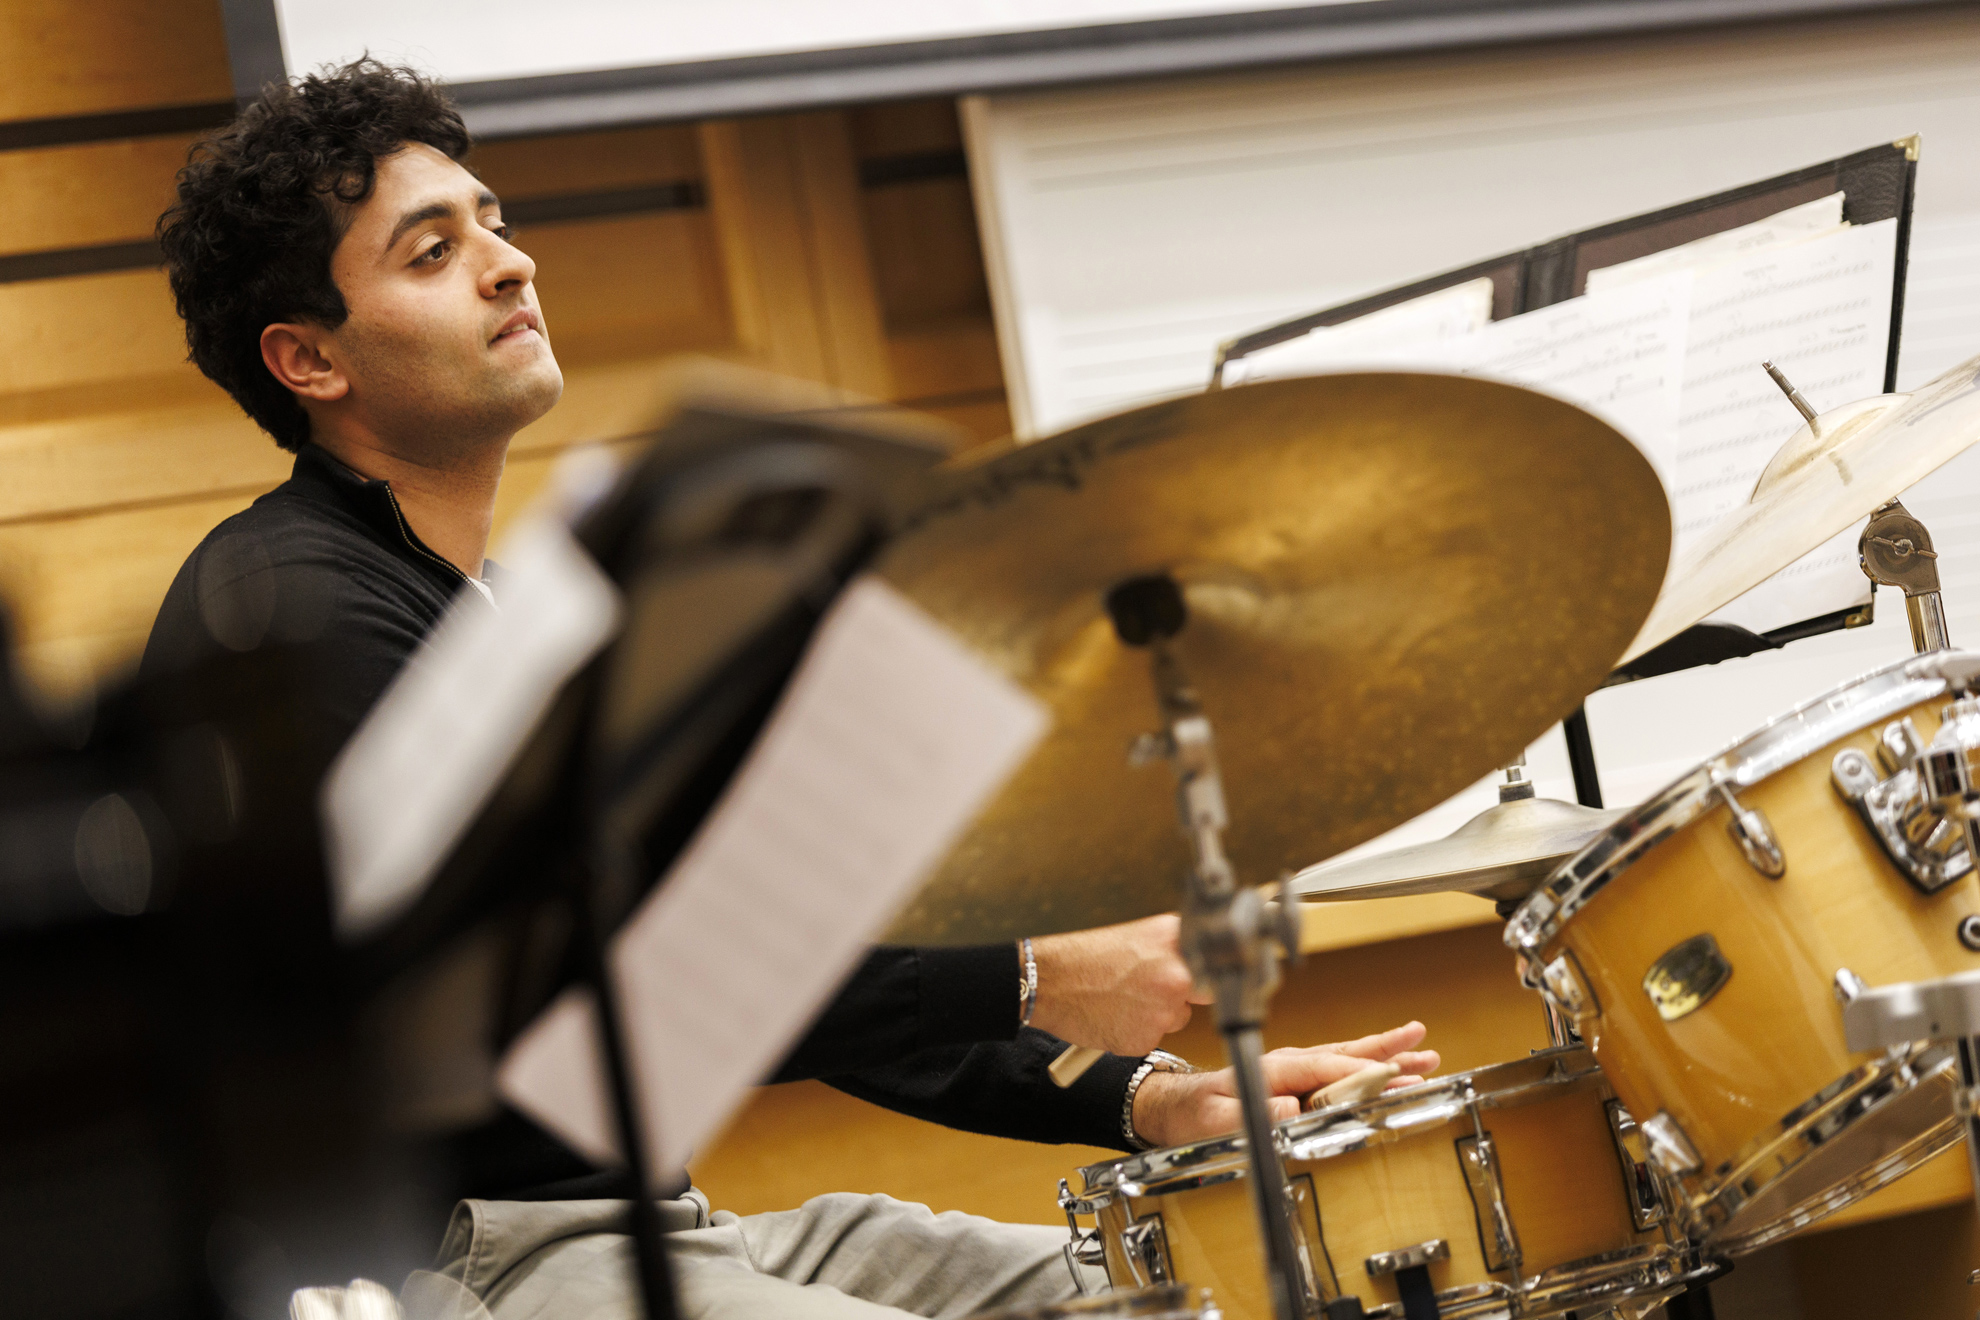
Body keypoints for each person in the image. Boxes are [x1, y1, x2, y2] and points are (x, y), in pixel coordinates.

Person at [144, 61, 1440, 1317]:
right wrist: (1032, 974)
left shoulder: (494, 616)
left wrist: (1139, 1100)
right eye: (431, 253)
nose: (510, 261)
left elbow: (753, 974)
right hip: (473, 1268)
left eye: (494, 221)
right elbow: (578, 998)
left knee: (1199, 1286)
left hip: (663, 1228)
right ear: (310, 361)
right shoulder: (289, 609)